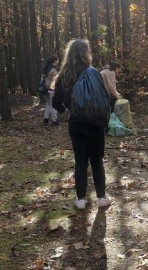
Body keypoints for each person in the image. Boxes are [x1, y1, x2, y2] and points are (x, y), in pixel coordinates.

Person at [52, 39, 112, 209]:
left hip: (76, 124)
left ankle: (80, 200)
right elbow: (104, 97)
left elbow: (56, 103)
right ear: (86, 53)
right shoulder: (94, 73)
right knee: (97, 160)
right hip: (95, 123)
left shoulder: (63, 76)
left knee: (80, 161)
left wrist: (67, 110)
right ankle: (101, 198)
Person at [42, 55, 59, 125]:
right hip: (51, 89)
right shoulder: (53, 70)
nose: (58, 61)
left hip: (44, 89)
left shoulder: (45, 68)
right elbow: (55, 81)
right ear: (55, 61)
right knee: (53, 104)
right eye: (58, 60)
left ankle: (45, 118)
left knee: (48, 103)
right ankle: (54, 121)